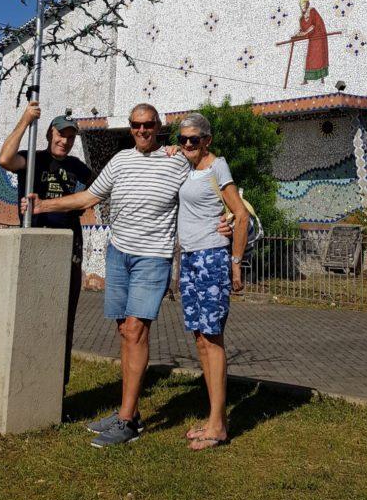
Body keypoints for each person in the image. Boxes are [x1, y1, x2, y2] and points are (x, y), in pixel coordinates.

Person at [22, 103, 231, 447]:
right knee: (123, 331)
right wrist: (43, 205)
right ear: (131, 128)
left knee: (136, 330)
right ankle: (128, 410)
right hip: (119, 255)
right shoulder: (120, 161)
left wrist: (233, 220)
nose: (142, 130)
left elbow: (214, 183)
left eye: (149, 125)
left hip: (153, 257)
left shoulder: (178, 159)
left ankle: (127, 422)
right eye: (136, 125)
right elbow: (88, 196)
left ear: (159, 127)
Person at [0, 101, 93, 388]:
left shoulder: (78, 168)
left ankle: (56, 387)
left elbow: (98, 192)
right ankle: (26, 382)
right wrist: (25, 120)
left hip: (69, 249)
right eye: (61, 134)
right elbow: (4, 159)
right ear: (50, 133)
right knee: (30, 315)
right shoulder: (33, 160)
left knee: (63, 320)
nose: (65, 140)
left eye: (71, 136)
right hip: (35, 247)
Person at [176, 112, 249, 450]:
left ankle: (219, 425)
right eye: (182, 138)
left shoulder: (217, 166)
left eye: (193, 139)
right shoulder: (189, 167)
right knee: (200, 340)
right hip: (190, 259)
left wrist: (235, 263)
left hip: (211, 259)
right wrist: (169, 150)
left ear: (207, 140)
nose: (187, 144)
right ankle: (212, 417)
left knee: (213, 338)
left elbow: (241, 213)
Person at [295, 0, 329, 85]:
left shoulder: (312, 11)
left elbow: (314, 25)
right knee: (310, 58)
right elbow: (302, 29)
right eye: (300, 5)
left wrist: (305, 32)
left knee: (319, 58)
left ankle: (322, 78)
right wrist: (298, 34)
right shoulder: (302, 18)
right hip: (312, 39)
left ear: (307, 4)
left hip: (319, 38)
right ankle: (306, 79)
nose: (302, 7)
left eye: (303, 4)